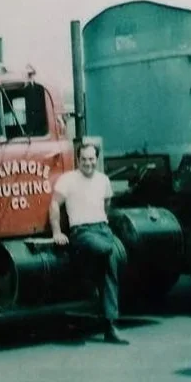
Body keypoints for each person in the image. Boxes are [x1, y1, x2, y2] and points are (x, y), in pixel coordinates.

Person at [50, 142, 129, 345]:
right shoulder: (68, 180)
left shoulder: (103, 180)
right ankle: (92, 287)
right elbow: (54, 204)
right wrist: (57, 232)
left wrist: (104, 225)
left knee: (110, 269)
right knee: (106, 249)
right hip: (82, 232)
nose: (88, 163)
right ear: (78, 160)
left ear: (96, 159)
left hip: (102, 229)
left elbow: (106, 205)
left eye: (91, 159)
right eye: (84, 159)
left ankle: (110, 325)